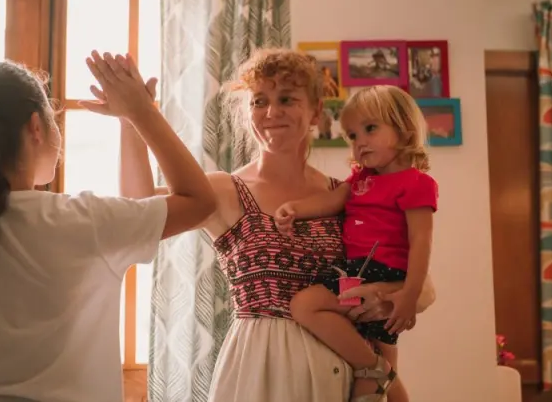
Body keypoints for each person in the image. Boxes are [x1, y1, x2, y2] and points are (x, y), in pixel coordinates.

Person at [117, 48, 436, 402]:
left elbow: (419, 283)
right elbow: (138, 208)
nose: (271, 112)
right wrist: (131, 120)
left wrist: (385, 298)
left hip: (341, 379)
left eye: (287, 99)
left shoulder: (345, 195)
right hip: (258, 374)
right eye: (259, 101)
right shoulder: (225, 190)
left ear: (316, 111)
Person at [0, 52, 216, 402]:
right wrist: (139, 113)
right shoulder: (83, 221)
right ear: (35, 127)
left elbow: (149, 206)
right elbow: (200, 200)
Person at [274, 85, 437, 402]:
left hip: (383, 273)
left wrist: (409, 294)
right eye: (352, 135)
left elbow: (421, 241)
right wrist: (294, 208)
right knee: (375, 382)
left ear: (403, 129)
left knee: (304, 306)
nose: (359, 141)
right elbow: (332, 201)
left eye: (370, 129)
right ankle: (377, 368)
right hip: (356, 271)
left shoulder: (417, 183)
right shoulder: (360, 179)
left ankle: (377, 368)